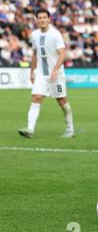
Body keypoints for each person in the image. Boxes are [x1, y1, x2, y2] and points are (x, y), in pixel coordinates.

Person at [18, 8, 74, 138]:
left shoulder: (55, 34)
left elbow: (62, 54)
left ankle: (70, 129)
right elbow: (35, 54)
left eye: (44, 17)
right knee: (36, 98)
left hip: (56, 76)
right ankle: (30, 129)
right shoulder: (34, 35)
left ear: (49, 19)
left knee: (62, 102)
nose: (42, 20)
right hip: (41, 74)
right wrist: (32, 72)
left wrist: (55, 70)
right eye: (40, 17)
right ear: (36, 20)